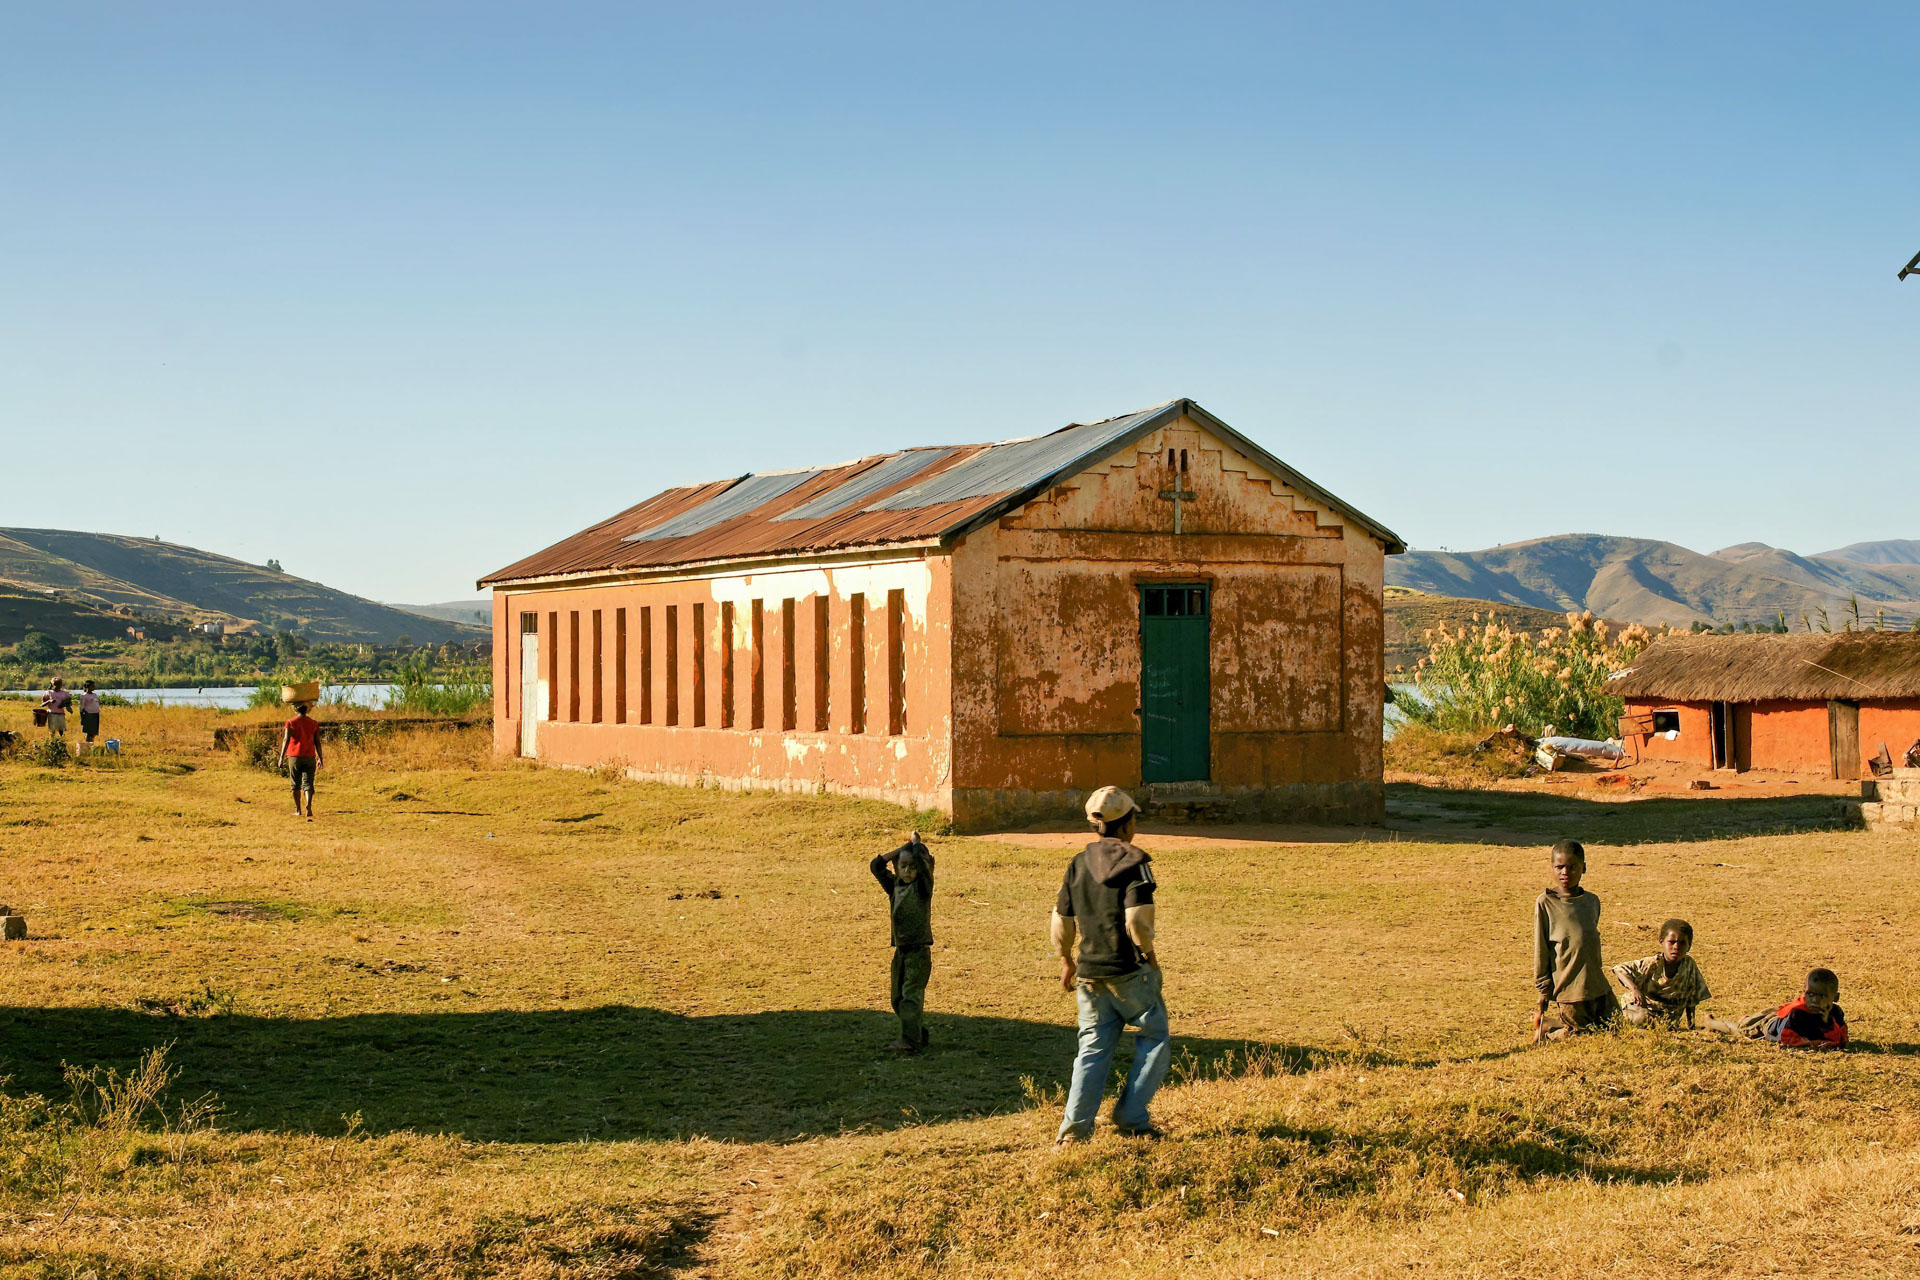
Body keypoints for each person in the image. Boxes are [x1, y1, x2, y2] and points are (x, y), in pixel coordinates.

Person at [1050, 786, 1169, 1145]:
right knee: (1155, 1037)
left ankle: (1073, 1133)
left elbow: (1061, 919)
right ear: (1127, 822)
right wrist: (1147, 954)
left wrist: (1066, 960)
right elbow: (1137, 920)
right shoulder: (1136, 862)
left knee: (1092, 1050)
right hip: (1128, 973)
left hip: (1088, 973)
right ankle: (1131, 1115)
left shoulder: (1077, 863)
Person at [1532, 839, 1618, 1042]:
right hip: (1569, 987)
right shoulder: (1546, 903)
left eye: (1572, 867)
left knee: (1615, 1027)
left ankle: (1554, 1022)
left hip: (1596, 983)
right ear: (1552, 868)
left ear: (1584, 868)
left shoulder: (1591, 901)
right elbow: (1541, 948)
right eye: (1559, 867)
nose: (1565, 872)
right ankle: (1549, 1034)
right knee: (1581, 1035)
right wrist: (1543, 990)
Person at [869, 832, 936, 1052]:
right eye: (903, 866)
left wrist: (916, 846)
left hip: (918, 952)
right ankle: (917, 1033)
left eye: (913, 866)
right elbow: (876, 866)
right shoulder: (895, 887)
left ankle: (910, 1041)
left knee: (910, 998)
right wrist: (903, 847)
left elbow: (924, 866)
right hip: (901, 952)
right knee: (897, 999)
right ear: (897, 867)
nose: (908, 871)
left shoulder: (922, 889)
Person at [1709, 968, 1848, 1049]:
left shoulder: (1836, 1013)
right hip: (1771, 1025)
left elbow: (1841, 1041)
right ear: (1803, 991)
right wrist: (1818, 1043)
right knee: (1741, 1030)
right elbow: (1788, 1040)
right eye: (1809, 994)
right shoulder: (1798, 1013)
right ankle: (1712, 1023)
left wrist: (1826, 1022)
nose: (1814, 1000)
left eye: (1822, 996)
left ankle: (1747, 1019)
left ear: (1835, 998)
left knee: (1749, 1021)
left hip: (1780, 1014)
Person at [1612, 918, 1713, 1029]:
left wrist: (1692, 1026)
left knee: (1662, 1026)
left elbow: (1692, 998)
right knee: (1640, 1018)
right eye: (1671, 942)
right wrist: (1635, 990)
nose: (1676, 947)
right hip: (1642, 1009)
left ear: (1689, 946)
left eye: (1682, 943)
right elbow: (1619, 968)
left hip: (1667, 1018)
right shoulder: (1651, 964)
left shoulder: (1689, 966)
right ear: (1661, 942)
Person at [276, 702, 323, 820]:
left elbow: (286, 739)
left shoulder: (291, 723)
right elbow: (317, 742)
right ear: (306, 710)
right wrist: (320, 758)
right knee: (308, 783)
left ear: (296, 709)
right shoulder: (313, 723)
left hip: (294, 756)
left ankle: (298, 809)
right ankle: (309, 806)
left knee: (295, 784)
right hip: (309, 756)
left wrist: (281, 757)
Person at [78, 681, 103, 753]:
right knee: (89, 733)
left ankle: (91, 745)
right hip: (89, 715)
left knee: (94, 732)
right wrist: (82, 718)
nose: (94, 687)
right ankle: (87, 747)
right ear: (88, 687)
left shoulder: (95, 695)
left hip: (95, 714)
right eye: (92, 686)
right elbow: (81, 708)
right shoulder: (84, 696)